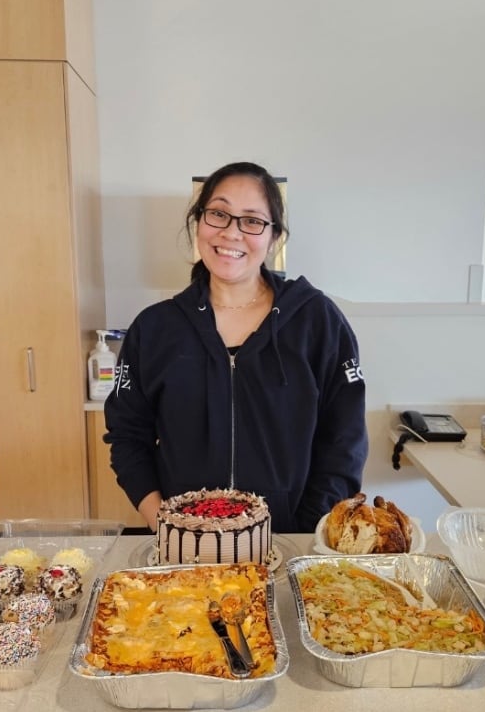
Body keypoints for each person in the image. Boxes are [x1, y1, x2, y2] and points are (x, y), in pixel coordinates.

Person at [104, 161, 368, 534]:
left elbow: (344, 442)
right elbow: (127, 436)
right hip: (185, 545)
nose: (232, 232)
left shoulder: (317, 321)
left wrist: (306, 531)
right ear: (199, 221)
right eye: (219, 214)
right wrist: (166, 525)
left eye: (252, 220)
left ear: (274, 236)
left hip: (292, 538)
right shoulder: (155, 328)